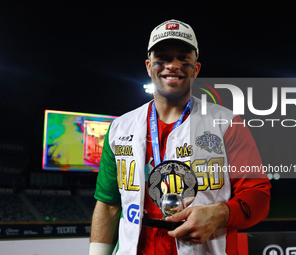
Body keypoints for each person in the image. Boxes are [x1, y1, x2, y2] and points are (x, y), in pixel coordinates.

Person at [89, 19, 271, 255]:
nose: (172, 66)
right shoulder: (120, 128)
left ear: (196, 69)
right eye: (162, 58)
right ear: (148, 66)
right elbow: (108, 205)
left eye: (183, 59)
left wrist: (221, 214)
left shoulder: (228, 124)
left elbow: (259, 196)